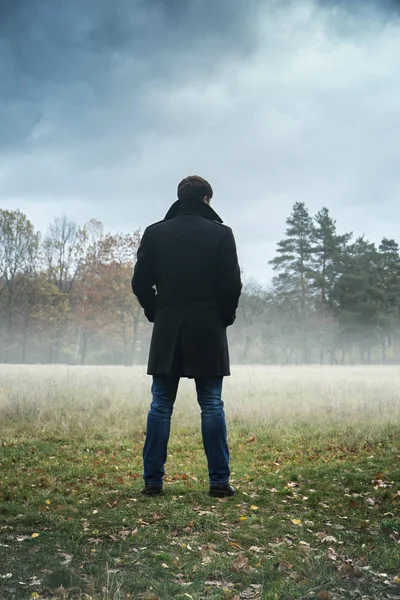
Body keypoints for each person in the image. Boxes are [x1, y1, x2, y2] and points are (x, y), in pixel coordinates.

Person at [132, 175, 242, 498]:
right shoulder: (222, 234)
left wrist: (157, 313)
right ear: (207, 199)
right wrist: (225, 317)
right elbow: (231, 285)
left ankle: (152, 481)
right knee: (211, 405)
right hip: (208, 332)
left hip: (168, 332)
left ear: (180, 198)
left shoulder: (155, 233)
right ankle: (219, 483)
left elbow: (140, 284)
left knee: (160, 405)